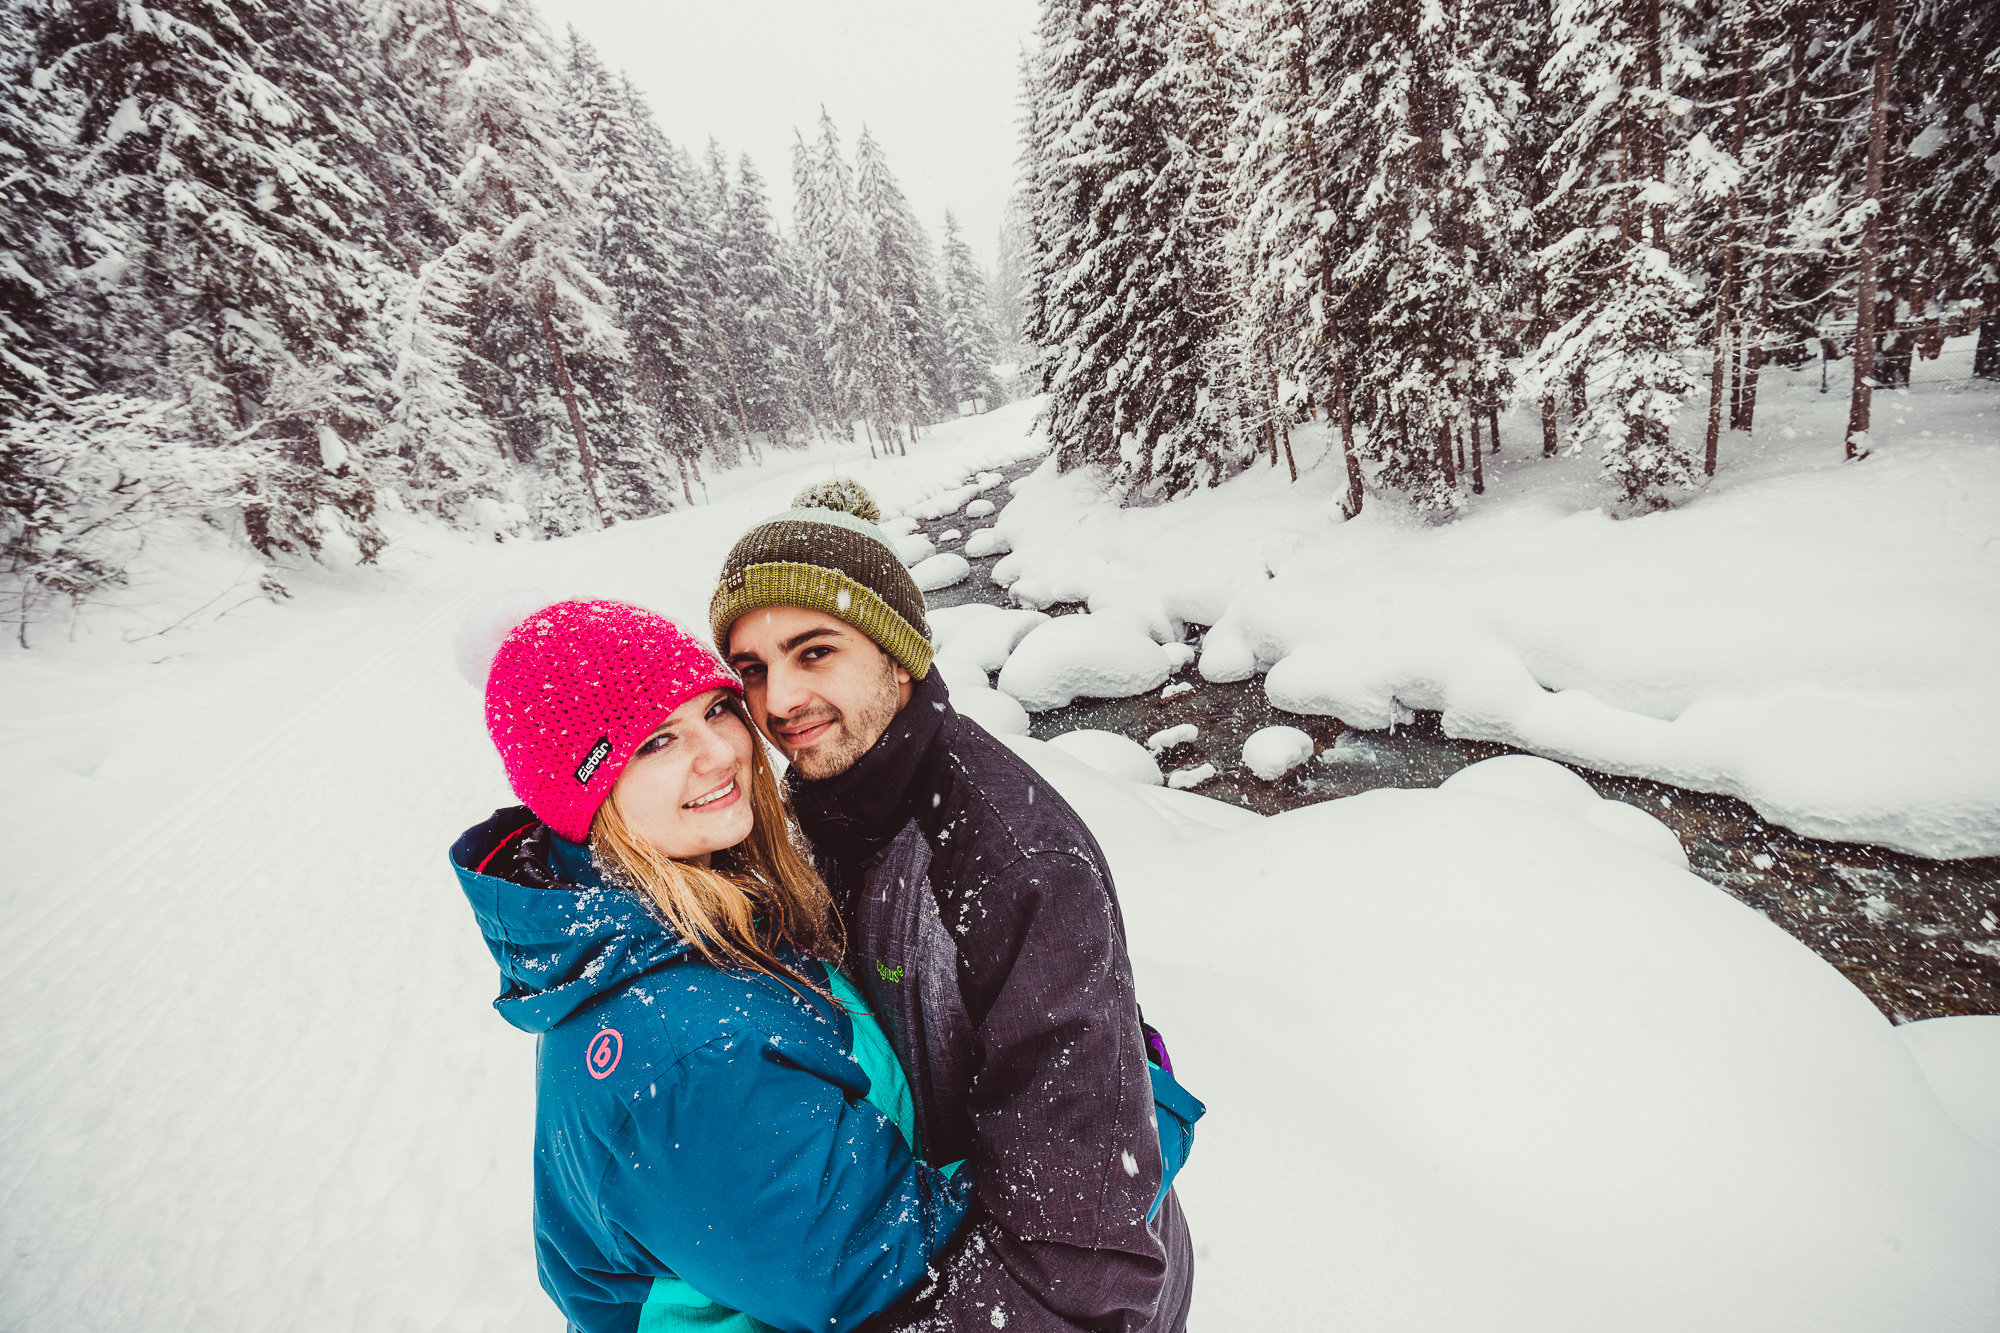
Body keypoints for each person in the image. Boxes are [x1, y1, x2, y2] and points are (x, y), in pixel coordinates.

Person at [711, 488, 1201, 1333]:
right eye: (751, 669)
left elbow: (1080, 1248)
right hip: (942, 1260)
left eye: (813, 651)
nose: (779, 701)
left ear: (897, 655)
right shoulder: (819, 808)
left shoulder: (1015, 864)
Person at [450, 599, 973, 1333]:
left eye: (717, 710)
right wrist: (1108, 1112)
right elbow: (897, 1269)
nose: (721, 752)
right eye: (657, 741)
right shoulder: (689, 1055)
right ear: (585, 796)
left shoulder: (684, 916)